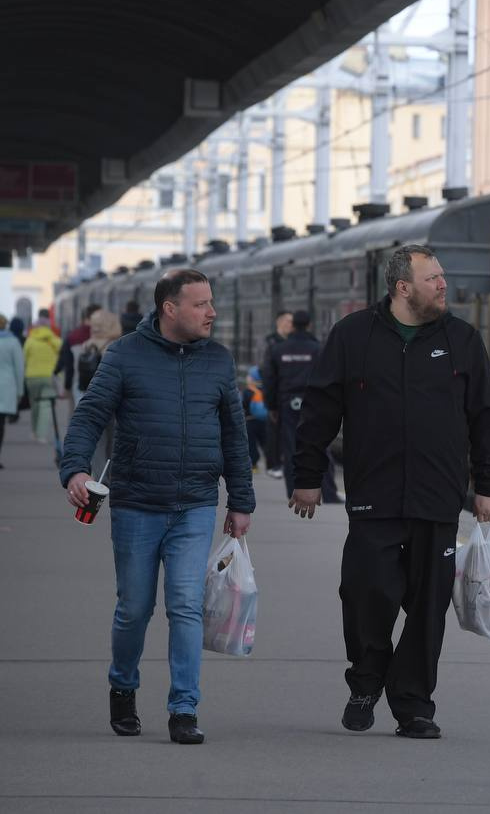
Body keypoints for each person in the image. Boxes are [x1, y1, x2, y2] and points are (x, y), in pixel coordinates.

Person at [290, 243, 490, 740]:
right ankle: (366, 680)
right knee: (366, 594)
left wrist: (488, 485)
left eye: (442, 277)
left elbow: (486, 417)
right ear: (402, 287)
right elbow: (320, 410)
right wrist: (307, 476)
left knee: (428, 608)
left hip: (437, 498)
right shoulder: (353, 337)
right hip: (374, 496)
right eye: (433, 279)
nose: (443, 285)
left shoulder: (462, 340)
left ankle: (413, 705)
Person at [60, 268, 255, 745]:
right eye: (201, 304)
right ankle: (123, 686)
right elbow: (90, 415)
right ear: (170, 309)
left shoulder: (218, 360)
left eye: (212, 302)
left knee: (186, 606)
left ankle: (184, 708)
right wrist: (76, 470)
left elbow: (234, 433)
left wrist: (241, 501)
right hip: (136, 504)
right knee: (134, 608)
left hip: (194, 504)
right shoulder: (124, 356)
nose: (212, 312)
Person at [262, 309, 338, 502]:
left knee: (290, 449)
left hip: (287, 402)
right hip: (314, 402)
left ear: (293, 325)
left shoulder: (278, 349)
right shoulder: (318, 348)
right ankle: (329, 493)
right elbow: (329, 376)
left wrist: (271, 406)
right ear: (310, 325)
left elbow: (270, 380)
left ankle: (292, 492)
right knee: (320, 445)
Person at [81, 309, 123, 476]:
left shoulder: (87, 344)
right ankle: (111, 474)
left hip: (90, 396)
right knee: (114, 439)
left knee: (96, 440)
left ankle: (98, 476)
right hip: (113, 400)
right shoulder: (116, 347)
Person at [261, 310, 292, 479]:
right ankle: (273, 464)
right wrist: (269, 400)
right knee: (274, 430)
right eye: (288, 322)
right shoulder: (271, 343)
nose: (291, 325)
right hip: (276, 393)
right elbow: (267, 372)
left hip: (287, 393)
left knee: (285, 431)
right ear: (279, 323)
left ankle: (282, 462)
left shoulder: (290, 343)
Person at [23, 309, 60, 444]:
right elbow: (60, 358)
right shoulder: (55, 340)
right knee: (45, 405)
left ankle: (33, 431)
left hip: (31, 377)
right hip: (48, 376)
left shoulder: (30, 340)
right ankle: (41, 434)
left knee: (35, 405)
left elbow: (24, 358)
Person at [55, 304, 100, 407]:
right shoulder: (107, 337)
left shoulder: (72, 336)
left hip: (79, 384)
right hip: (103, 386)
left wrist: (67, 386)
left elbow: (68, 364)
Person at [0, 315, 24, 470]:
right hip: (6, 386)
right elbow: (19, 368)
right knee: (0, 424)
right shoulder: (13, 341)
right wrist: (20, 391)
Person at [242, 366, 269, 472]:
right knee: (265, 442)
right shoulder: (266, 389)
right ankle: (271, 464)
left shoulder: (248, 391)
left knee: (251, 444)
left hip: (250, 421)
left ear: (253, 378)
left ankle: (254, 465)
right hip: (265, 421)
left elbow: (244, 405)